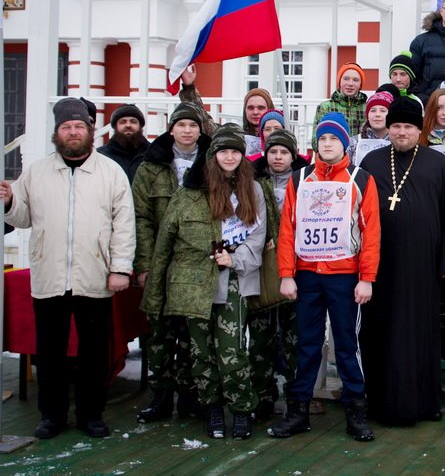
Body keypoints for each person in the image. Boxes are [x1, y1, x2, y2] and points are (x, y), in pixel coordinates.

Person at [1, 98, 135, 440]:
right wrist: (10, 201)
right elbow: (23, 218)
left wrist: (120, 268)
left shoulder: (110, 172)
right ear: (57, 133)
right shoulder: (37, 172)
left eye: (79, 126)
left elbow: (124, 224)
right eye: (66, 127)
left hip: (95, 275)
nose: (73, 132)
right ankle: (52, 415)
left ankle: (91, 414)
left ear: (89, 130)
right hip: (49, 275)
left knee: (94, 352)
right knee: (49, 352)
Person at [143, 127, 267, 440]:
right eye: (224, 151)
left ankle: (240, 408)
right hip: (195, 281)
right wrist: (156, 289)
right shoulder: (193, 191)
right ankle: (211, 407)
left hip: (234, 277)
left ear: (243, 156)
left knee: (231, 349)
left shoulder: (252, 189)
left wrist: (235, 259)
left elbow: (258, 234)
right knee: (201, 350)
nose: (230, 157)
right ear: (213, 156)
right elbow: (167, 240)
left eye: (235, 151)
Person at [358, 96, 445, 424]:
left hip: (423, 266)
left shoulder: (437, 164)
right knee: (379, 332)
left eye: (408, 127)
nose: (401, 132)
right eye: (396, 126)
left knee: (418, 332)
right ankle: (380, 403)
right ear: (388, 129)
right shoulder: (371, 162)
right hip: (379, 266)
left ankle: (423, 403)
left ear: (418, 130)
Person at [269, 113, 381, 441]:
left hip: (344, 276)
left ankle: (355, 412)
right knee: (307, 344)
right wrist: (286, 274)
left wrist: (367, 277)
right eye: (322, 139)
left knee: (346, 344)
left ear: (345, 143)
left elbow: (371, 231)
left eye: (334, 138)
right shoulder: (300, 178)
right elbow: (287, 228)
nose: (328, 144)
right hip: (307, 275)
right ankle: (298, 411)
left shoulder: (360, 179)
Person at [133, 102, 211, 423]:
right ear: (171, 129)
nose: (187, 131)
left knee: (193, 331)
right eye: (182, 125)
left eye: (193, 125)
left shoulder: (211, 162)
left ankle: (191, 395)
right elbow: (141, 217)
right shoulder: (151, 167)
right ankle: (161, 396)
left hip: (195, 259)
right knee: (161, 331)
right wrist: (145, 263)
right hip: (160, 259)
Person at [249, 128, 309, 421]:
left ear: (293, 155)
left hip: (295, 265)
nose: (278, 157)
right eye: (273, 151)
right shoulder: (253, 182)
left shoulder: (305, 181)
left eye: (284, 152)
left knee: (293, 335)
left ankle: (296, 395)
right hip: (261, 266)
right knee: (260, 335)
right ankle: (262, 394)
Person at [97, 103, 150, 181]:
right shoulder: (101, 155)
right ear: (115, 126)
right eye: (122, 122)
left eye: (133, 121)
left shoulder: (152, 154)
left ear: (140, 126)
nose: (128, 125)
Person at [314, 62, 368, 138]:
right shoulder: (325, 107)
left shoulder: (368, 108)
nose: (350, 83)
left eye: (355, 80)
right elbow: (316, 138)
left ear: (360, 84)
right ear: (339, 81)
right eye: (346, 79)